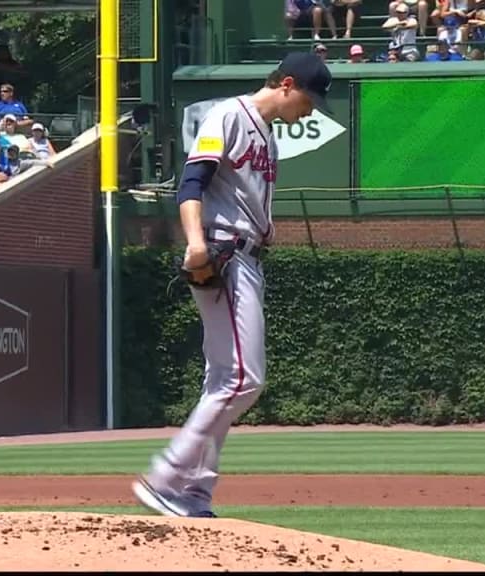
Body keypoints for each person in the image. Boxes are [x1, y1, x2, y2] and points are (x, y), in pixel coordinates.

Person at [131, 51, 332, 519]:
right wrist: (195, 242)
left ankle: (195, 489)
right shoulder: (228, 115)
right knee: (246, 379)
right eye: (310, 98)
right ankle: (166, 475)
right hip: (224, 253)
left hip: (247, 257)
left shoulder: (268, 137)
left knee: (222, 379)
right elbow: (191, 184)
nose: (311, 108)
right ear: (286, 84)